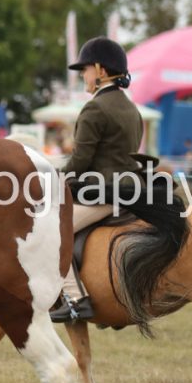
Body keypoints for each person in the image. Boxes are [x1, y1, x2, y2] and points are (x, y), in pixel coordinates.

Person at [51, 36, 147, 322]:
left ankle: (75, 300)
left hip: (105, 194)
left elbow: (80, 161)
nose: (83, 75)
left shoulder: (95, 108)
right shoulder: (131, 108)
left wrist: (55, 180)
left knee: (53, 231)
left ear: (100, 70)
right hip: (132, 190)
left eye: (85, 70)